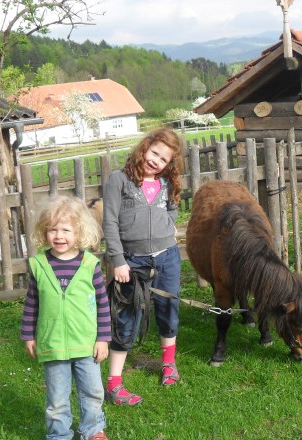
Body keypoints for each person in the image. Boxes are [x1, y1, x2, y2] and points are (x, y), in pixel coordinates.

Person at [102, 127, 184, 405]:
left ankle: (168, 364)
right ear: (145, 147)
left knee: (168, 308)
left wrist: (168, 227)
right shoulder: (119, 180)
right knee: (126, 316)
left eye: (163, 160)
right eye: (154, 153)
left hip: (167, 256)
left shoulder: (166, 183)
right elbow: (110, 222)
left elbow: (172, 209)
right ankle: (114, 383)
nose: (156, 161)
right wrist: (118, 260)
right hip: (132, 261)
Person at [20, 195, 111, 440]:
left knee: (92, 392)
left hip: (86, 342)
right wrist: (28, 334)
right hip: (53, 343)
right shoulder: (39, 265)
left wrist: (103, 338)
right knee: (57, 398)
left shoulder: (90, 264)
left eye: (66, 230)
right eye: (52, 230)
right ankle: (59, 434)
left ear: (79, 231)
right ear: (44, 232)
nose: (59, 236)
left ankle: (93, 430)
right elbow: (32, 303)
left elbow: (102, 303)